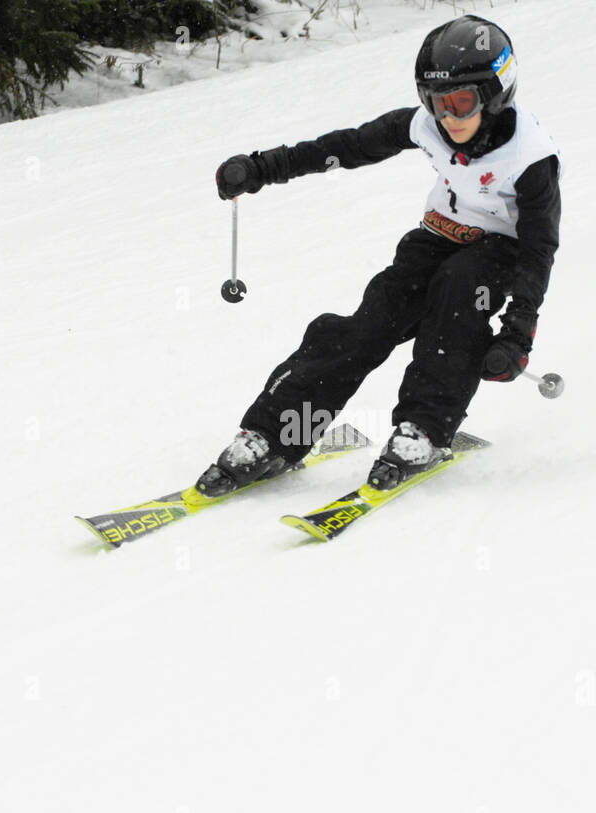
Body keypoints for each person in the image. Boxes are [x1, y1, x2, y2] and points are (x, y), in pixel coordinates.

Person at [199, 14, 561, 494]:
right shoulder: (426, 126)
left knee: (454, 304)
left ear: (497, 93)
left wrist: (518, 333)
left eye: (461, 101)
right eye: (436, 103)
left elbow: (539, 249)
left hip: (497, 254)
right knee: (365, 328)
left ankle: (424, 430)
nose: (448, 117)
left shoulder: (531, 159)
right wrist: (264, 168)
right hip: (435, 237)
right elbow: (348, 147)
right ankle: (277, 433)